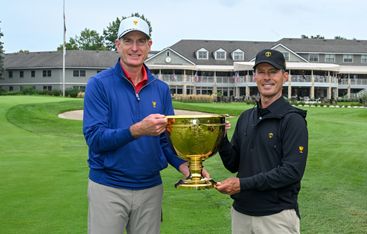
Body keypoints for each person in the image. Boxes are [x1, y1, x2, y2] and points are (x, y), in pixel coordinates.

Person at [82, 16, 207, 234]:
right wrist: (136, 130)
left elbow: (166, 140)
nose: (134, 47)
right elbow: (95, 138)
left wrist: (185, 166)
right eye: (128, 40)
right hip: (108, 187)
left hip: (150, 188)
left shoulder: (160, 88)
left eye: (141, 41)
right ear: (117, 44)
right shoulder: (99, 85)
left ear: (150, 45)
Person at [215, 49, 308, 233]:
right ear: (254, 76)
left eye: (273, 72)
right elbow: (233, 163)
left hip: (276, 216)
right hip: (241, 213)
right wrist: (220, 138)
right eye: (261, 72)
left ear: (285, 76)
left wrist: (242, 184)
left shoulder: (293, 120)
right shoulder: (246, 117)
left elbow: (291, 172)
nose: (267, 78)